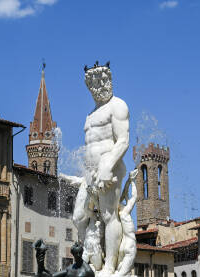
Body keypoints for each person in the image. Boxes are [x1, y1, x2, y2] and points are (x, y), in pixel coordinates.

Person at [83, 63, 130, 277]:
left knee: (110, 215)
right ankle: (90, 259)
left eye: (104, 81)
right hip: (90, 172)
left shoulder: (118, 105)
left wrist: (107, 164)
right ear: (89, 86)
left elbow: (123, 140)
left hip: (109, 169)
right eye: (95, 82)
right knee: (80, 217)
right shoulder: (90, 115)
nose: (101, 85)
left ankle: (110, 266)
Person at [116, 169, 138, 277]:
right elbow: (134, 197)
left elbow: (125, 194)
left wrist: (129, 181)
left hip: (121, 246)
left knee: (118, 270)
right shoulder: (125, 213)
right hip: (130, 244)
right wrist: (133, 181)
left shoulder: (117, 215)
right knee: (122, 273)